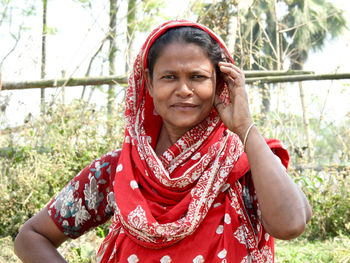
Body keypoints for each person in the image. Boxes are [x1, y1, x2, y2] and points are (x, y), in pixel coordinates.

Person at [14, 20, 312, 263]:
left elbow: (291, 223)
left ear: (219, 83)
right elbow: (31, 237)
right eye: (169, 77)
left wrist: (245, 127)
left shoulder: (245, 165)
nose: (184, 89)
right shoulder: (119, 171)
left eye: (197, 77)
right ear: (149, 82)